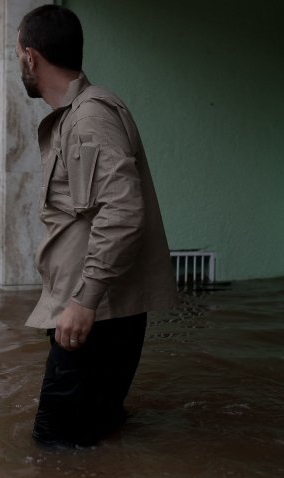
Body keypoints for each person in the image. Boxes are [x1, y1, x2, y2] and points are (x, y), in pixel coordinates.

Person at [16, 5, 178, 447]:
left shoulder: (89, 117)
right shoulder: (77, 115)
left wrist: (84, 301)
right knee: (94, 437)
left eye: (18, 56)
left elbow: (122, 210)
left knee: (52, 447)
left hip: (94, 313)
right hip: (98, 310)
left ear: (30, 57)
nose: (20, 65)